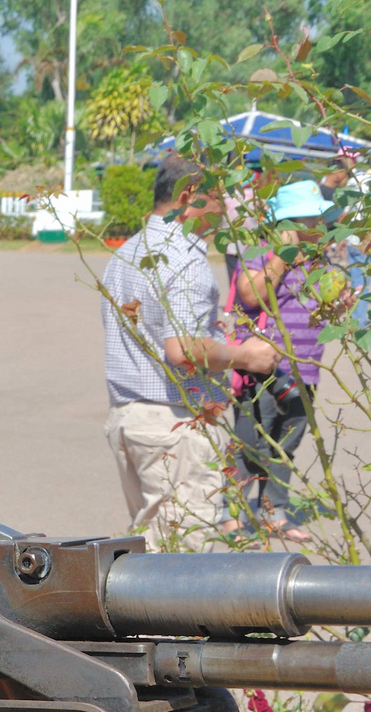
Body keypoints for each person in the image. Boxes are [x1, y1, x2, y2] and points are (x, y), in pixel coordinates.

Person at [100, 154, 278, 548]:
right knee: (183, 561)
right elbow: (181, 348)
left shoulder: (127, 252)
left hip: (130, 419)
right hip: (173, 425)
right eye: (220, 197)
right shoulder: (183, 258)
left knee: (151, 544)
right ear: (191, 195)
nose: (225, 208)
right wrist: (246, 354)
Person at [230, 179, 339, 542]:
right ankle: (231, 513)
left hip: (305, 369)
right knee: (251, 442)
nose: (321, 226)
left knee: (286, 443)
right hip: (264, 369)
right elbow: (249, 293)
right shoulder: (262, 253)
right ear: (289, 224)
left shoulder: (320, 260)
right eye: (312, 220)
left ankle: (272, 511)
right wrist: (282, 256)